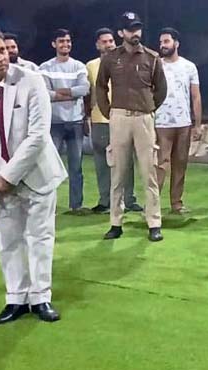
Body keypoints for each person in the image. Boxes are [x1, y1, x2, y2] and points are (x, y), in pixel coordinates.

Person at [0, 26, 67, 324]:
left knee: (39, 237)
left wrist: (7, 176)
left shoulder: (31, 80)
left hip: (37, 174)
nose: (1, 57)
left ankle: (41, 297)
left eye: (2, 50)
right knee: (8, 240)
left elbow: (38, 136)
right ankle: (16, 298)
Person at [96, 12, 167, 242]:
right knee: (118, 173)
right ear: (121, 33)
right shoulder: (110, 58)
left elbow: (161, 89)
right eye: (130, 29)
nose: (135, 33)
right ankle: (116, 223)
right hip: (119, 118)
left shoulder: (152, 57)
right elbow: (100, 86)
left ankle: (154, 223)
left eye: (137, 29)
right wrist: (109, 112)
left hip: (144, 118)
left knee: (149, 173)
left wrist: (149, 108)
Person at [85, 28, 142, 215]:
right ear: (97, 45)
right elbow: (88, 94)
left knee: (126, 161)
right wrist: (87, 117)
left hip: (123, 117)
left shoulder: (124, 61)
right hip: (99, 119)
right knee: (102, 162)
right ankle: (105, 201)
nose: (109, 44)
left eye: (111, 41)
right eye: (104, 41)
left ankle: (129, 199)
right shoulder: (90, 66)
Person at [39, 28, 90, 214]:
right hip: (54, 123)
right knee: (50, 167)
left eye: (68, 41)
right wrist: (71, 94)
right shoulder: (45, 67)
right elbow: (44, 93)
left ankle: (76, 205)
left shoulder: (78, 66)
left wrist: (59, 93)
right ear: (54, 44)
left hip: (75, 122)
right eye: (61, 41)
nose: (65, 44)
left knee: (76, 167)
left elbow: (84, 89)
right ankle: (48, 205)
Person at [154, 27, 202, 215]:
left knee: (180, 164)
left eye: (166, 41)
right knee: (160, 164)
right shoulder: (156, 65)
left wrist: (197, 124)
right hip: (161, 123)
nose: (162, 45)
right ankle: (152, 204)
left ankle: (176, 203)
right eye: (161, 42)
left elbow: (196, 96)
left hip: (183, 123)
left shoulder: (189, 66)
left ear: (176, 43)